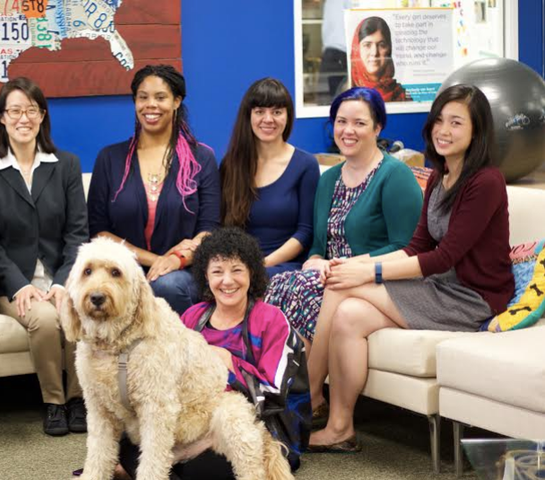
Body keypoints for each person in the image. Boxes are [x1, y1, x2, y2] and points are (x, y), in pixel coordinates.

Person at [307, 84, 514, 452]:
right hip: (440, 287)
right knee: (349, 315)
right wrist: (355, 263)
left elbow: (443, 257)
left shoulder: (486, 182)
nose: (443, 130)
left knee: (341, 288)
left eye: (456, 123)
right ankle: (341, 426)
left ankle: (305, 400)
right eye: (439, 120)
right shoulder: (438, 176)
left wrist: (366, 273)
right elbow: (417, 247)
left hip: (474, 298)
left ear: (477, 130)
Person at [119, 227, 305, 479]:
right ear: (206, 276)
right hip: (197, 423)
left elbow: (275, 396)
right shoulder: (192, 316)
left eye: (237, 270)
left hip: (258, 429)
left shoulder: (272, 320)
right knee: (128, 442)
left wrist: (230, 365)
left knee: (205, 470)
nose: (227, 281)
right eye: (217, 271)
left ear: (252, 272)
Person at [0, 77, 89, 436]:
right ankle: (54, 403)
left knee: (70, 310)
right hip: (12, 285)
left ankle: (78, 401)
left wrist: (61, 282)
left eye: (31, 110)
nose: (24, 118)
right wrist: (20, 285)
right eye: (15, 110)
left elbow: (77, 234)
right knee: (42, 318)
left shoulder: (66, 165)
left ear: (42, 116)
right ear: (2, 118)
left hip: (60, 277)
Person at [265, 87, 422, 353]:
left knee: (295, 289)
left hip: (380, 278)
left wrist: (345, 266)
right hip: (332, 277)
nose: (348, 130)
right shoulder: (328, 179)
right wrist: (316, 263)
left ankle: (304, 388)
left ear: (377, 128)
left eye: (359, 123)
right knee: (277, 283)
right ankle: (288, 382)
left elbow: (406, 247)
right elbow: (317, 246)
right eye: (341, 122)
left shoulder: (395, 176)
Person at [88, 64, 220, 315]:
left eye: (160, 97)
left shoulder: (201, 158)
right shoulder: (109, 158)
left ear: (176, 101)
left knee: (167, 284)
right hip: (122, 269)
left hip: (184, 272)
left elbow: (209, 230)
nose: (151, 105)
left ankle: (185, 352)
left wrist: (176, 260)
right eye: (143, 97)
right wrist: (155, 260)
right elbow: (98, 232)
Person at [220, 78, 320, 277]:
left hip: (285, 267)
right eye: (259, 112)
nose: (268, 119)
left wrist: (260, 265)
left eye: (277, 112)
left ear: (288, 116)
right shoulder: (231, 165)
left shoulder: (306, 165)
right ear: (248, 116)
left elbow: (305, 232)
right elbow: (222, 227)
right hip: (238, 267)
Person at [350, 16, 411, 102]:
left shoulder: (400, 95)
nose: (374, 53)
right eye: (367, 45)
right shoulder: (348, 93)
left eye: (381, 45)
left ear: (388, 50)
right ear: (357, 50)